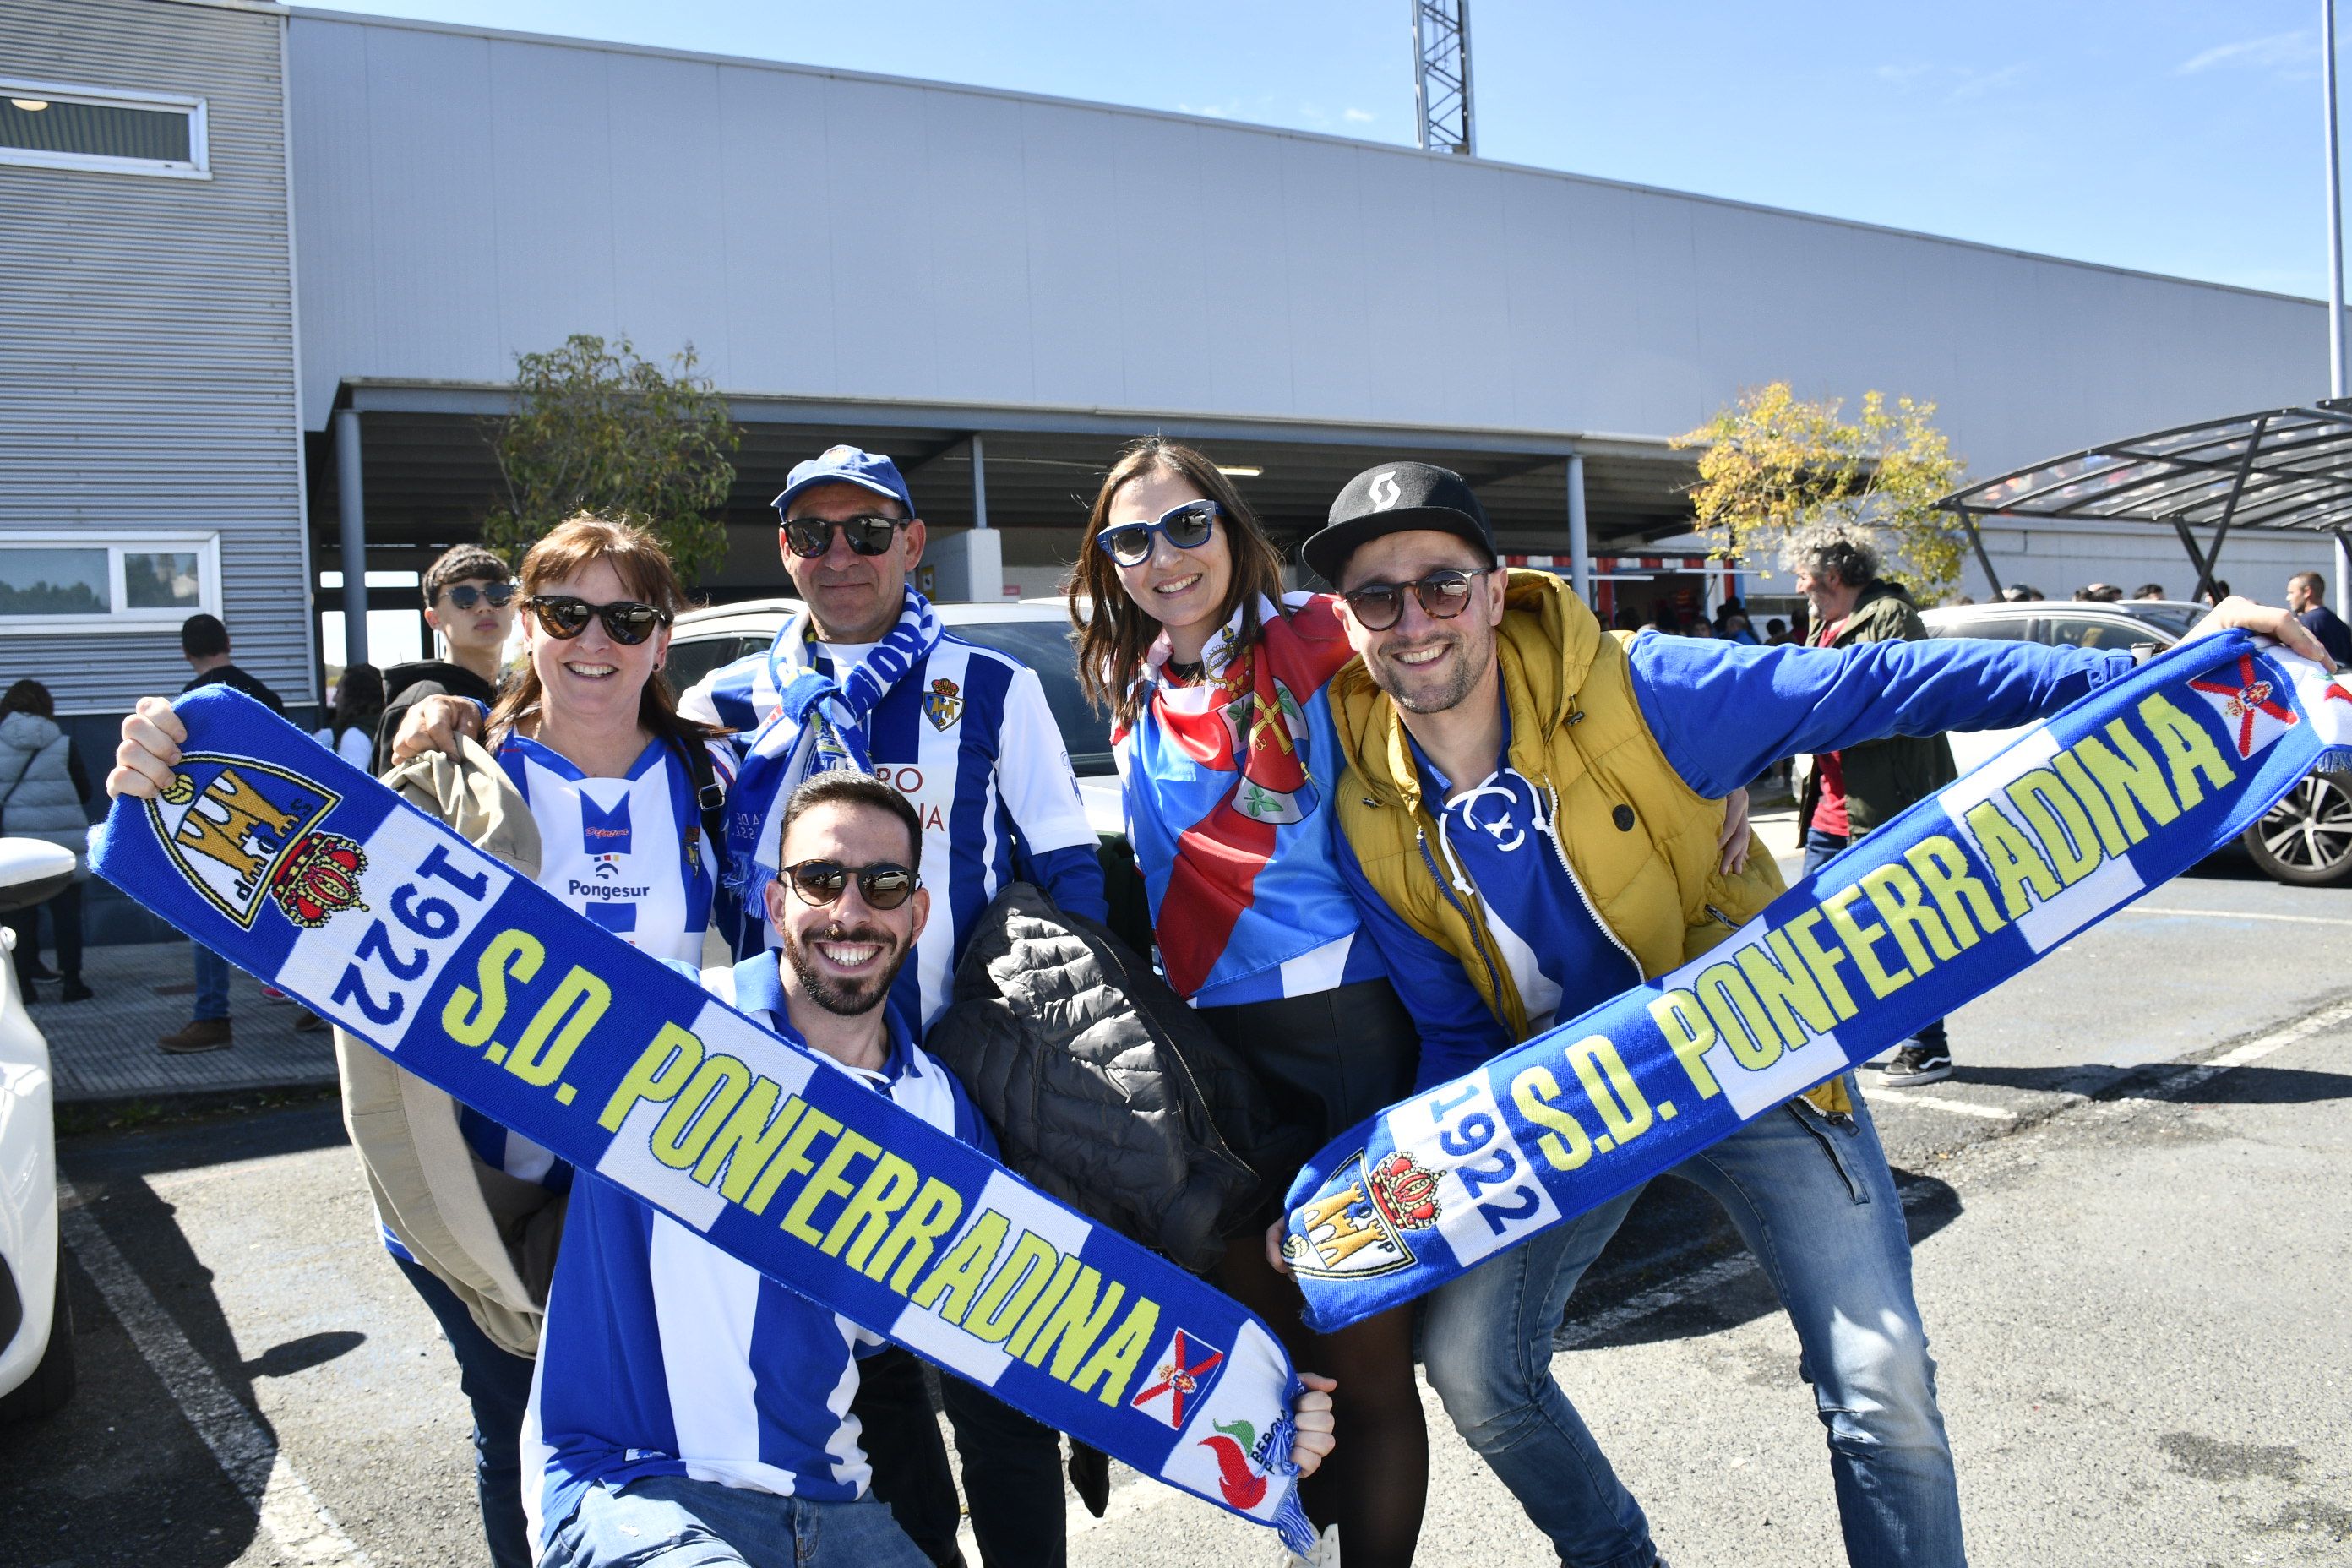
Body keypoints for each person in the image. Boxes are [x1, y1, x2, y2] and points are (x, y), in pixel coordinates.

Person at [1294, 460, 2323, 1568]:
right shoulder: (1364, 802)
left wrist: (2170, 662)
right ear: (1349, 624)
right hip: (1579, 1099)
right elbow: (1457, 1037)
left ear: (1498, 592)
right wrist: (1381, 1217)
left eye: (1442, 586)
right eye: (1379, 598)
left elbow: (1887, 684)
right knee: (1476, 1371)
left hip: (1761, 1049)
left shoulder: (1646, 691)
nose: (1415, 622)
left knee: (1881, 1387)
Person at [387, 448, 1103, 1567]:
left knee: (990, 1395)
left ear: (914, 543)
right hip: (755, 1099)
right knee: (842, 1389)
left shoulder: (994, 686)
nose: (840, 555)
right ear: (783, 552)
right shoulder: (724, 711)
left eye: (869, 531)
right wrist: (442, 706)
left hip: (948, 1084)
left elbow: (1074, 879)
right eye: (812, 534)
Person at [113, 514, 727, 1568]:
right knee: (521, 1442)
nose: (596, 640)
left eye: (627, 616)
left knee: (682, 1440)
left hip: (661, 1181)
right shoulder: (444, 782)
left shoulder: (722, 784)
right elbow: (276, 886)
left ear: (663, 641)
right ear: (526, 625)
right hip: (483, 1195)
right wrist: (168, 770)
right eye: (567, 611)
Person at [525, 771, 1337, 1567]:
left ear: (916, 916)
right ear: (776, 905)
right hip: (636, 1492)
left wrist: (1262, 1411)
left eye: (882, 885)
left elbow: (1056, 1315)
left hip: (837, 1508)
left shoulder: (941, 1115)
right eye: (819, 879)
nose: (850, 910)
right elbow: (437, 991)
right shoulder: (656, 1022)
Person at [1069, 438, 1431, 1568]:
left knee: (1366, 1369)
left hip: (1347, 1038)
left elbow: (1525, 657)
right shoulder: (1134, 687)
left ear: (1231, 529)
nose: (1164, 556)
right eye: (1134, 538)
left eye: (1187, 526)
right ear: (1107, 561)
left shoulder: (1326, 633)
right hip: (1213, 1061)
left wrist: (1701, 787)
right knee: (1282, 1369)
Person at [1788, 523, 1959, 1087]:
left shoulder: (1890, 616)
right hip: (1831, 809)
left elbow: (1904, 702)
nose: (1800, 587)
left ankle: (1926, 1045)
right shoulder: (1825, 621)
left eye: (1805, 576)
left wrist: (1817, 713)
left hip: (1885, 805)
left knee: (1898, 926)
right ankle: (1846, 1038)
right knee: (1818, 930)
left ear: (1833, 576)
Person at [156, 613, 285, 1053]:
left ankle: (212, 1017)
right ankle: (320, 1009)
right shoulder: (264, 695)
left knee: (206, 918)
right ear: (228, 642)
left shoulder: (188, 706)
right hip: (277, 820)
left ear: (186, 653)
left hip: (216, 826)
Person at [378, 544, 519, 773]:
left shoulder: (516, 697)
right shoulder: (421, 702)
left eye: (497, 594)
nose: (484, 607)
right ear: (434, 619)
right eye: (464, 597)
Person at [0, 679, 93, 1002]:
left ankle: (23, 987)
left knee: (19, 918)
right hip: (63, 846)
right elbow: (85, 792)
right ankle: (72, 983)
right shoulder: (64, 744)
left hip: (18, 848)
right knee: (67, 916)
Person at [313, 662, 384, 770]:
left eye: (338, 691)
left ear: (353, 696)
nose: (334, 699)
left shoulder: (354, 735)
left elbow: (349, 782)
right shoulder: (382, 725)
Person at [2286, 569, 2352, 667]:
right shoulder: (2341, 625)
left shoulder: (2302, 624)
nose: (2288, 598)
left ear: (2307, 592)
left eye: (2292, 593)